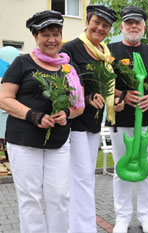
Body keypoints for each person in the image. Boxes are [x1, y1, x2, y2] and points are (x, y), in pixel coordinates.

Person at [0, 10, 84, 232]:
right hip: (24, 140)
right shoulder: (22, 63)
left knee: (59, 196)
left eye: (56, 34)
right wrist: (32, 115)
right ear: (35, 36)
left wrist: (67, 113)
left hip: (57, 141)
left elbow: (79, 106)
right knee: (30, 198)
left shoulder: (68, 68)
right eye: (45, 34)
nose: (52, 39)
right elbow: (4, 98)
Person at [60, 5, 123, 233]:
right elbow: (67, 83)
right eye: (97, 22)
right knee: (81, 179)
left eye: (106, 25)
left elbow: (106, 88)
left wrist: (116, 100)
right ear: (87, 20)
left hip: (94, 124)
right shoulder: (71, 48)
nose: (101, 28)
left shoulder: (104, 54)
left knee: (86, 178)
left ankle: (82, 227)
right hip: (75, 123)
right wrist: (87, 96)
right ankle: (82, 229)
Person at [107, 6, 148, 233]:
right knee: (121, 170)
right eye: (129, 23)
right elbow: (104, 84)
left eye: (137, 23)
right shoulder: (109, 50)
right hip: (119, 121)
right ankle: (122, 218)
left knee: (147, 170)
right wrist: (122, 95)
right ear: (122, 27)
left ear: (144, 27)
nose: (133, 26)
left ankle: (147, 218)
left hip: (147, 120)